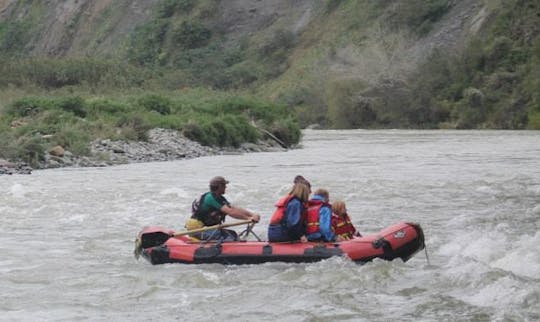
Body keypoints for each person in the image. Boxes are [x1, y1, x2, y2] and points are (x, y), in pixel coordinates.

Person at [185, 176, 260, 241]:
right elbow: (231, 212)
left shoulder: (219, 198)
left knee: (232, 234)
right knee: (225, 237)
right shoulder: (210, 198)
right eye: (224, 185)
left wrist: (252, 215)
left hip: (206, 228)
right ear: (220, 186)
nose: (226, 187)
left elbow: (234, 208)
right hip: (198, 229)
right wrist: (248, 219)